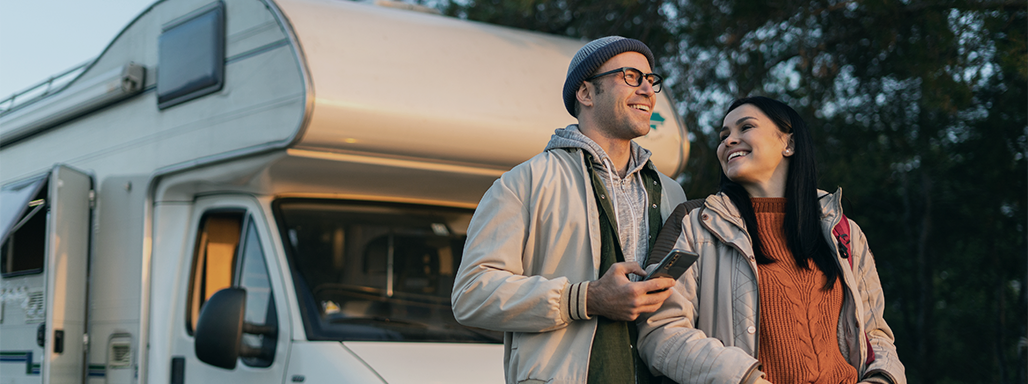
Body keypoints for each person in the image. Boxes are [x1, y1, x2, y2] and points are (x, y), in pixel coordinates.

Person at [451, 36, 688, 384]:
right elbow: (472, 294)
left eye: (651, 80)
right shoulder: (525, 182)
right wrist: (585, 298)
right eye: (631, 77)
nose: (648, 90)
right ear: (586, 93)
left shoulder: (671, 191)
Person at [637, 96, 905, 384]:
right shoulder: (693, 223)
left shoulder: (843, 232)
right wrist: (745, 378)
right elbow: (660, 329)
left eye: (745, 127)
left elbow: (874, 333)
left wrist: (882, 380)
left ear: (788, 144)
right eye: (724, 135)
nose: (729, 140)